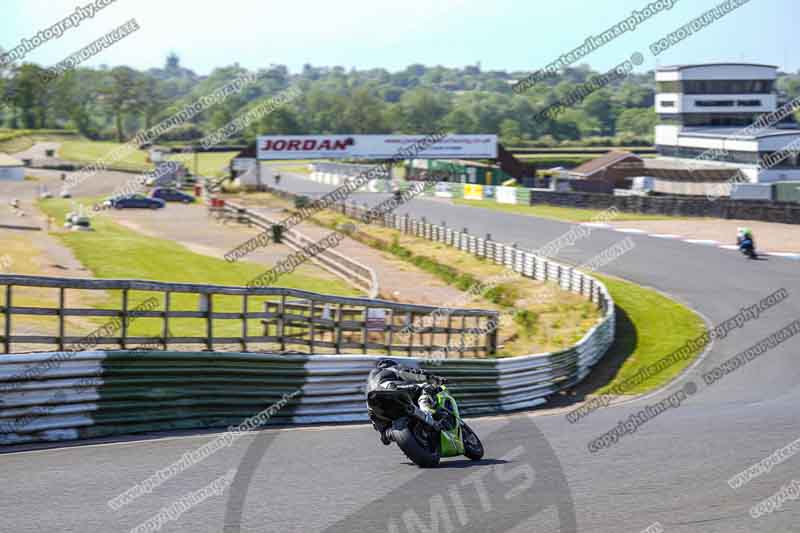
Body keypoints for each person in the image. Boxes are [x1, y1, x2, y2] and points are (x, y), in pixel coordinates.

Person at [366, 359, 443, 445]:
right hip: (390, 389)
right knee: (425, 387)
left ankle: (388, 433)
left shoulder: (369, 383)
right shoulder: (390, 369)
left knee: (385, 434)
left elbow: (371, 414)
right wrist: (431, 377)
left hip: (374, 405)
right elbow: (409, 372)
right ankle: (427, 412)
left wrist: (383, 432)